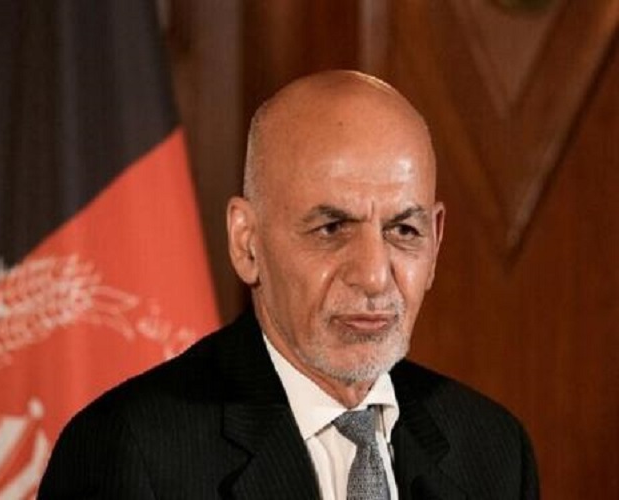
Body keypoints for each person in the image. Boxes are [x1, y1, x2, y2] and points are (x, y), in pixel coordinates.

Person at [39, 71, 539, 499]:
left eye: (403, 231)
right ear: (247, 243)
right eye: (332, 228)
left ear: (436, 242)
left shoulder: (493, 451)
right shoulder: (129, 452)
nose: (373, 275)